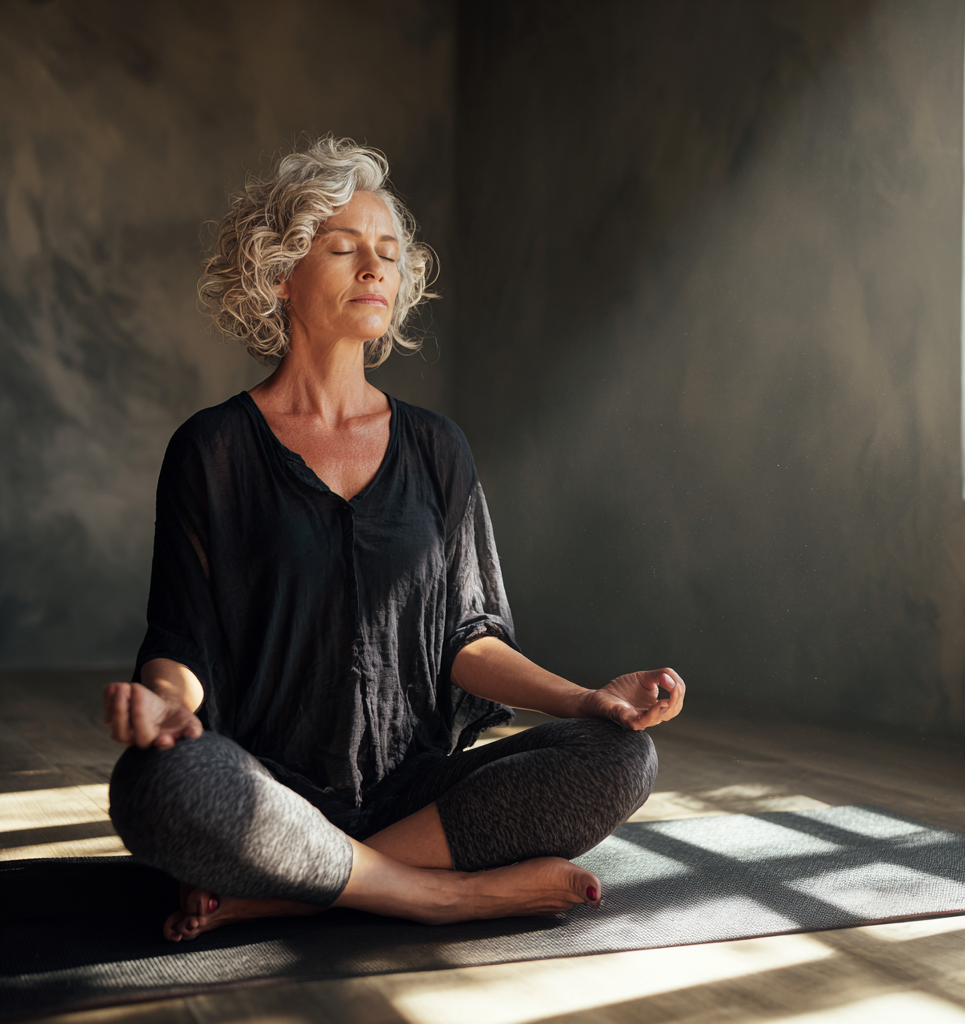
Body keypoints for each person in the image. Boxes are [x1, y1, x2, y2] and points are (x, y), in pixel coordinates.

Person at [104, 137, 685, 942]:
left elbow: (470, 640)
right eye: (343, 249)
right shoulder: (212, 451)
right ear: (280, 276)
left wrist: (589, 700)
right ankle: (440, 896)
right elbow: (183, 642)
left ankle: (294, 890)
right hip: (264, 792)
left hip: (417, 795)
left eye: (388, 253)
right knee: (155, 786)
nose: (376, 269)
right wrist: (161, 709)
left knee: (621, 757)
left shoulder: (438, 448)